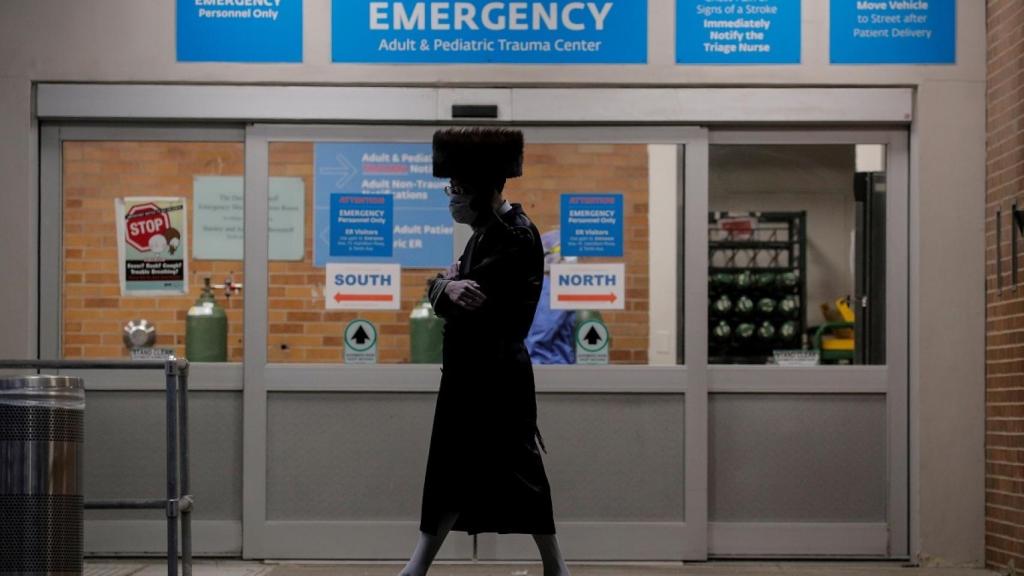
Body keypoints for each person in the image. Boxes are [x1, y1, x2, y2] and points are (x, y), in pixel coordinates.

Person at [399, 128, 570, 576]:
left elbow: (465, 300)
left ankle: (557, 568)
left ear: (482, 190)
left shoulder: (514, 236)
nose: (451, 199)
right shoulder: (485, 234)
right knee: (454, 472)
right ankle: (418, 566)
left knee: (517, 474)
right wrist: (444, 285)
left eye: (457, 190)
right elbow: (444, 290)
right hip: (472, 375)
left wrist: (446, 287)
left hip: (494, 379)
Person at [527, 229, 577, 364]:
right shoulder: (553, 288)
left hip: (555, 366)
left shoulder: (554, 287)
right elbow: (538, 338)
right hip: (549, 367)